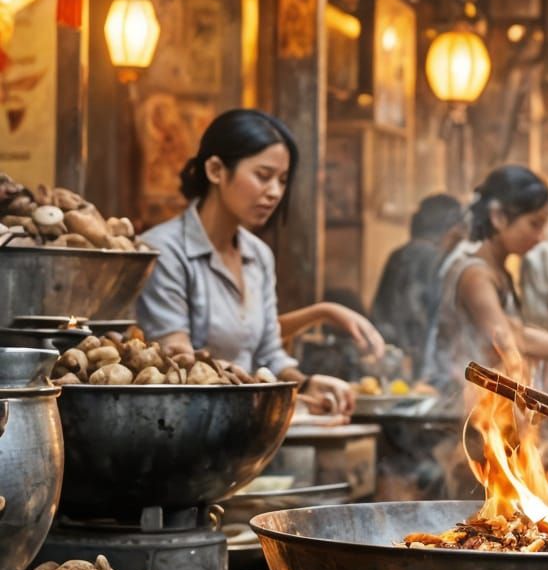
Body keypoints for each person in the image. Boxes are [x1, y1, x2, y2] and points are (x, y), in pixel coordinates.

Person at [138, 109, 364, 416]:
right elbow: (176, 358)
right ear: (216, 170)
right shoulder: (163, 250)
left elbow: (270, 355)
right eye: (263, 176)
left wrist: (307, 384)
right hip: (180, 423)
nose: (274, 192)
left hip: (245, 427)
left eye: (282, 180)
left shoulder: (258, 256)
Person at [422, 165, 548, 394]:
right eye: (534, 224)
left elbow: (517, 330)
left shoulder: (499, 271)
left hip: (480, 409)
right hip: (454, 411)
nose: (540, 237)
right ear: (499, 217)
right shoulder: (475, 276)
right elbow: (510, 338)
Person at [371, 193, 463, 373]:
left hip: (386, 358)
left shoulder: (398, 254)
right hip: (419, 367)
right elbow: (422, 321)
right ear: (453, 230)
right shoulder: (436, 259)